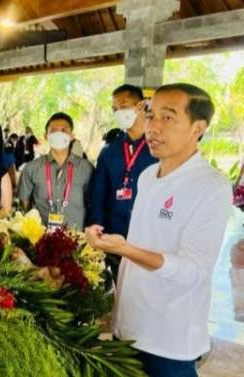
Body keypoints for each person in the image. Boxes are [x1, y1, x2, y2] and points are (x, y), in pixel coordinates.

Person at [86, 83, 232, 377]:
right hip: (127, 328)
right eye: (151, 116)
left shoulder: (211, 186)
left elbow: (194, 269)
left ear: (197, 128)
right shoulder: (148, 176)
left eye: (168, 117)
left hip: (168, 339)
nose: (153, 127)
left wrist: (126, 249)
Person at [86, 84, 157, 278]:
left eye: (124, 106)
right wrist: (96, 227)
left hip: (149, 239)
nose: (119, 112)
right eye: (115, 109)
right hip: (114, 236)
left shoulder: (157, 149)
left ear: (141, 106)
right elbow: (98, 194)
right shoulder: (110, 152)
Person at [17, 113, 93, 230]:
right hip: (40, 241)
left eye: (64, 130)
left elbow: (93, 205)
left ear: (72, 136)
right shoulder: (31, 168)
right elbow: (24, 205)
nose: (59, 134)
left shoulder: (86, 169)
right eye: (53, 131)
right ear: (46, 136)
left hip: (77, 242)